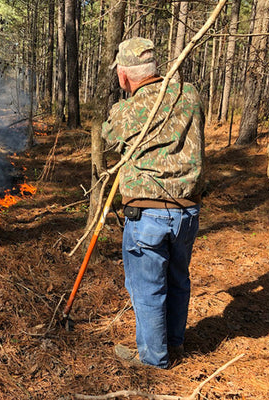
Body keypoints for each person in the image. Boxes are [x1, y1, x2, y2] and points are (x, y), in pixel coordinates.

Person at [101, 37, 205, 369]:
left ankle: (154, 359)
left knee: (147, 289)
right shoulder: (189, 95)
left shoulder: (126, 110)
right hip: (187, 211)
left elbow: (108, 138)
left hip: (148, 214)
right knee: (177, 278)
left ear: (124, 75)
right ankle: (172, 341)